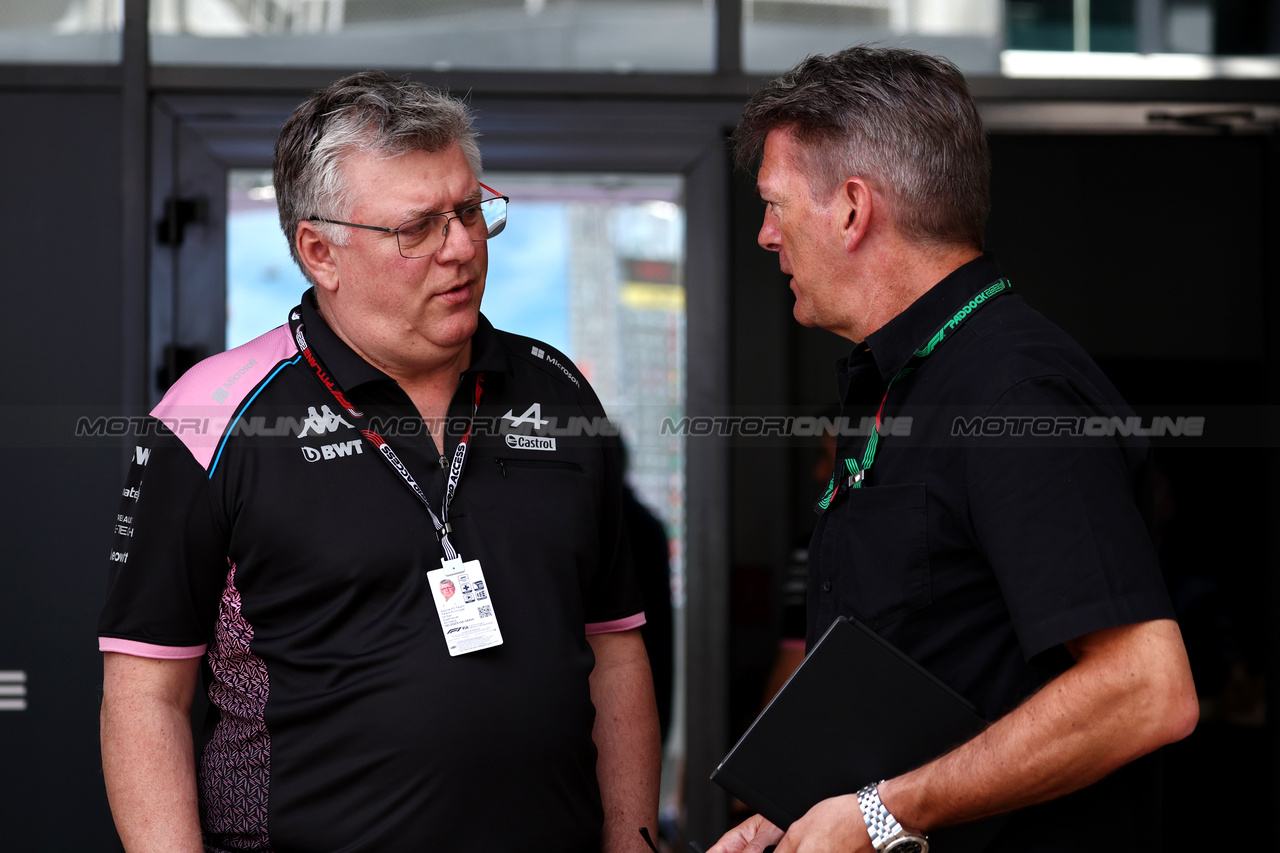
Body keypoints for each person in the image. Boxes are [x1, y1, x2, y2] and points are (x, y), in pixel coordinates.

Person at [98, 71, 660, 853]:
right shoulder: (211, 415)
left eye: (469, 211)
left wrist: (632, 842)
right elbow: (145, 694)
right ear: (320, 251)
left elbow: (615, 647)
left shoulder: (557, 388)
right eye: (418, 227)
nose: (460, 247)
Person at [711, 46, 1198, 853]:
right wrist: (796, 812)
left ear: (852, 209)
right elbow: (940, 664)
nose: (765, 235)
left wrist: (878, 814)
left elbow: (1146, 692)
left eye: (774, 205)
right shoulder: (904, 379)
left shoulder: (1012, 394)